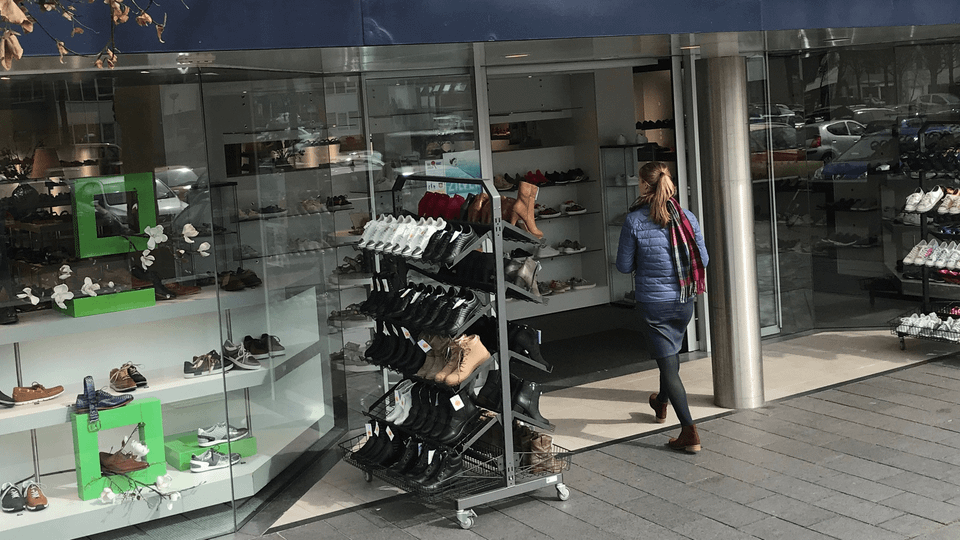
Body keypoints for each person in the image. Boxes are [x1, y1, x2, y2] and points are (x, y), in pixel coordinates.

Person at [616, 161, 709, 453]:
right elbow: (703, 259)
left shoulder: (634, 221)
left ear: (645, 185)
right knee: (669, 358)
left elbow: (623, 266)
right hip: (683, 300)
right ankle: (660, 403)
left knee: (669, 366)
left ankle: (689, 432)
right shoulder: (687, 217)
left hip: (653, 304)